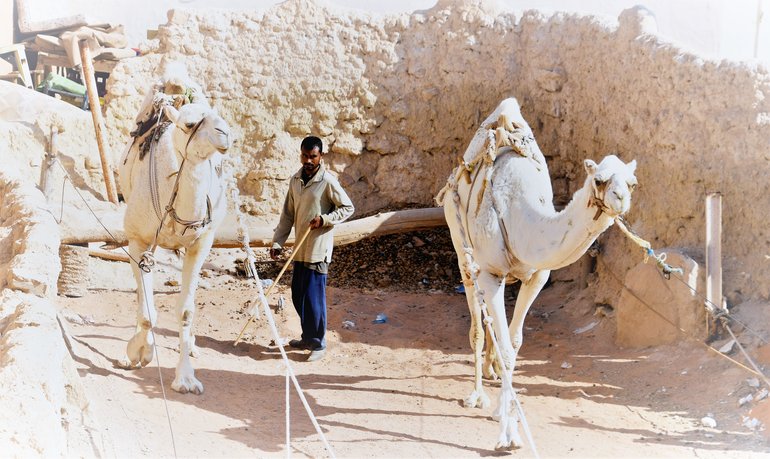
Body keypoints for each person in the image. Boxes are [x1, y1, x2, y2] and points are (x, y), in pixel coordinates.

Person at [269, 135, 354, 362]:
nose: (308, 160)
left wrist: (325, 220)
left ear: (320, 156)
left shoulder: (327, 181)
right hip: (300, 249)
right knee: (299, 295)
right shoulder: (295, 180)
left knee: (314, 298)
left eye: (313, 156)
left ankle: (318, 343)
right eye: (305, 156)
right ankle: (307, 337)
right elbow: (288, 215)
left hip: (318, 249)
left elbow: (348, 207)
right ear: (301, 154)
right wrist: (278, 242)